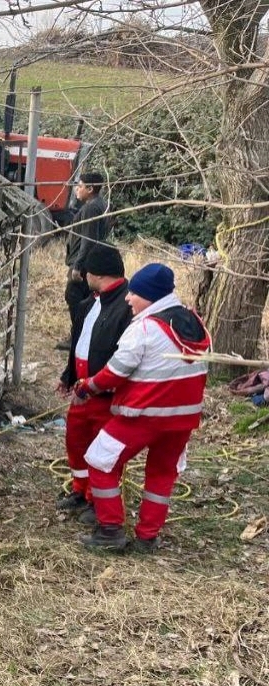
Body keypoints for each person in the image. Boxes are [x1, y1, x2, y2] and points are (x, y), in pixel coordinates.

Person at [74, 264, 210, 553]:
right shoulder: (194, 321)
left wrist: (88, 386)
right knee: (161, 473)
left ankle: (110, 529)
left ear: (150, 295)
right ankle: (148, 535)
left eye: (134, 293)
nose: (128, 298)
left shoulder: (146, 328)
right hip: (184, 418)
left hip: (145, 414)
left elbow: (116, 372)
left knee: (99, 460)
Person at [56, 244, 131, 524]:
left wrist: (100, 384)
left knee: (104, 450)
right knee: (76, 440)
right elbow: (79, 343)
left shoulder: (128, 306)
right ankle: (80, 489)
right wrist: (69, 376)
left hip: (106, 394)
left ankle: (98, 499)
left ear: (96, 273)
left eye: (86, 271)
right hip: (82, 391)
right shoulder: (89, 303)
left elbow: (126, 356)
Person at [59, 172, 113, 351]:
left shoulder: (91, 208)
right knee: (84, 300)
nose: (77, 189)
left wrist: (77, 266)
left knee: (74, 298)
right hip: (88, 262)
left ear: (90, 189)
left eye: (80, 186)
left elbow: (88, 240)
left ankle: (77, 338)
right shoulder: (99, 204)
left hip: (83, 263)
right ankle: (81, 335)